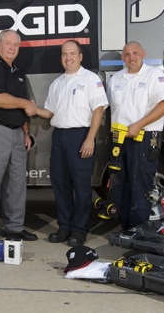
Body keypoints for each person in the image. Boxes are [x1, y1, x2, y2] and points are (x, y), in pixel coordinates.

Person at [29, 40, 108, 246]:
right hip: (59, 137)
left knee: (81, 186)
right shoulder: (57, 83)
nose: (68, 58)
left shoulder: (91, 79)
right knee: (60, 184)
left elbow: (99, 109)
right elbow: (50, 113)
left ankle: (79, 230)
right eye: (64, 54)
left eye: (72, 54)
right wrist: (36, 110)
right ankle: (64, 226)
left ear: (80, 57)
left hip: (81, 135)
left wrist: (90, 138)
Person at [0, 29, 38, 241]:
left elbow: (22, 110)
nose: (12, 47)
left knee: (17, 184)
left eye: (16, 44)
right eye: (8, 43)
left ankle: (14, 227)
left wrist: (26, 132)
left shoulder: (18, 73)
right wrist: (26, 103)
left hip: (16, 134)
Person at [106, 41, 164, 230]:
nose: (131, 57)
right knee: (121, 184)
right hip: (119, 140)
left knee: (140, 186)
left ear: (143, 54)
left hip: (144, 138)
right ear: (122, 58)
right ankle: (126, 229)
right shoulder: (116, 79)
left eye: (135, 53)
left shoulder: (154, 76)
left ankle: (140, 232)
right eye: (126, 54)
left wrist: (138, 125)